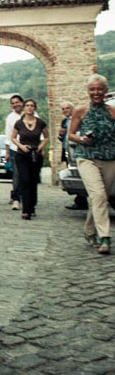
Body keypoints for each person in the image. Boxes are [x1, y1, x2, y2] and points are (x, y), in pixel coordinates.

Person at [68, 74, 115, 254]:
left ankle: (89, 230)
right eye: (92, 89)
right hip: (86, 157)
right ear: (88, 91)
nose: (96, 92)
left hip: (110, 158)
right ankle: (105, 237)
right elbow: (71, 134)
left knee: (101, 197)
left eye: (99, 89)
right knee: (98, 194)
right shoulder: (80, 111)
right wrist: (81, 138)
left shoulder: (112, 111)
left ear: (105, 90)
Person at [9, 99, 49, 220]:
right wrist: (21, 146)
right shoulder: (19, 123)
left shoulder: (41, 123)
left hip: (35, 156)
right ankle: (26, 210)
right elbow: (13, 137)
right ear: (24, 108)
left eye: (32, 106)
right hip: (22, 155)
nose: (29, 107)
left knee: (33, 181)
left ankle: (32, 207)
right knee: (24, 180)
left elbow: (46, 137)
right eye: (27, 105)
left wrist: (40, 147)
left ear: (35, 108)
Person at [60, 101, 87, 210]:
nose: (65, 110)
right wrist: (60, 135)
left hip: (78, 151)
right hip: (69, 152)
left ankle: (81, 201)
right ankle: (80, 201)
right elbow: (63, 137)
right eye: (63, 109)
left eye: (67, 108)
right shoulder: (64, 121)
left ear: (73, 109)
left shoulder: (79, 120)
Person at [5, 94, 25, 211]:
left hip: (28, 148)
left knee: (27, 175)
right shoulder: (10, 118)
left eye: (17, 102)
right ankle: (16, 198)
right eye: (13, 103)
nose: (15, 105)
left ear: (21, 103)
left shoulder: (30, 113)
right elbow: (8, 136)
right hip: (14, 149)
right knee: (17, 174)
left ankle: (27, 197)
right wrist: (7, 152)